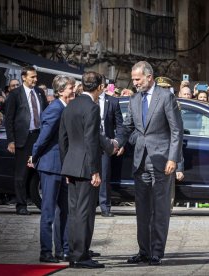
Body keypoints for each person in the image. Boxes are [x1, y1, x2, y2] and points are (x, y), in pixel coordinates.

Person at [121, 61, 183, 266]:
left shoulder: (166, 97)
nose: (135, 83)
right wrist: (117, 142)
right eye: (133, 79)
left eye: (137, 79)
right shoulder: (134, 99)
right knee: (142, 209)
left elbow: (176, 130)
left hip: (162, 160)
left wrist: (173, 158)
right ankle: (144, 250)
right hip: (140, 161)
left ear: (149, 77)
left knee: (160, 208)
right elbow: (128, 126)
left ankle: (156, 251)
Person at [59, 71, 116, 269]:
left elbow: (63, 139)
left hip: (72, 165)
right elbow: (91, 141)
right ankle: (81, 256)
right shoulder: (91, 107)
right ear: (100, 87)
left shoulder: (70, 104)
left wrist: (65, 167)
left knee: (74, 212)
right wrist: (95, 171)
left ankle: (74, 253)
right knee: (84, 213)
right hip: (85, 166)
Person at [29, 75, 76, 264]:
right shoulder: (54, 109)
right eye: (71, 88)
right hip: (50, 166)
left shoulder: (66, 107)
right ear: (61, 90)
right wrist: (34, 155)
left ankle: (64, 250)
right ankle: (46, 251)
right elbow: (43, 137)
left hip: (64, 167)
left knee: (65, 210)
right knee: (48, 210)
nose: (74, 91)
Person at [5, 66, 48, 215]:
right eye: (32, 77)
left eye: (36, 77)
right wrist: (11, 140)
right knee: (21, 174)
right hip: (23, 138)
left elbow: (46, 114)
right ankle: (21, 205)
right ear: (24, 77)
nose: (35, 80)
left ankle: (40, 203)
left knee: (38, 172)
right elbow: (9, 118)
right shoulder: (15, 94)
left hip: (39, 137)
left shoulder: (40, 92)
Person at [98, 76, 125, 217]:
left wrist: (118, 142)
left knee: (104, 176)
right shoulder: (86, 100)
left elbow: (120, 125)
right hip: (89, 144)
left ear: (102, 85)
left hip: (106, 145)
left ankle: (105, 207)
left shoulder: (113, 101)